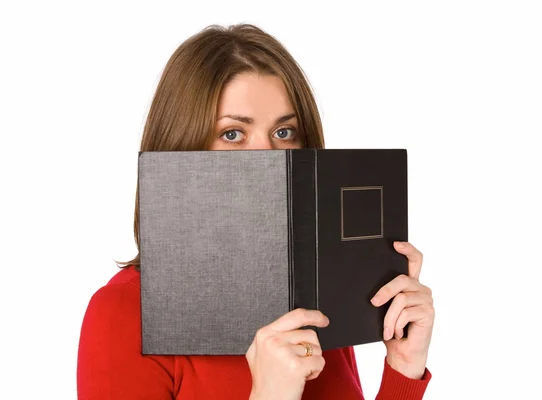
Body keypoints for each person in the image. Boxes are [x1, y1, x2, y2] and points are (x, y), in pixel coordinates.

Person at [77, 23, 434, 399]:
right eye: (232, 134)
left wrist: (403, 373)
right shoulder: (121, 314)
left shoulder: (314, 294)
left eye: (284, 133)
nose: (267, 158)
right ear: (180, 148)